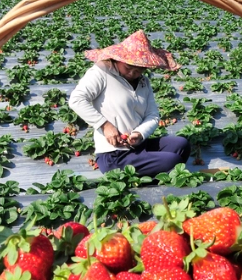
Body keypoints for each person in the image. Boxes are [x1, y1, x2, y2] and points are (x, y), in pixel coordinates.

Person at [69, 30, 191, 178]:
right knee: (173, 161)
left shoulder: (144, 82)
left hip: (137, 146)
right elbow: (76, 100)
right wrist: (105, 125)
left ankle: (160, 176)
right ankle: (156, 178)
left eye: (139, 70)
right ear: (118, 59)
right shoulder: (101, 72)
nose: (133, 73)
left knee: (181, 144)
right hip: (114, 154)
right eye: (128, 68)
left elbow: (152, 115)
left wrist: (139, 134)